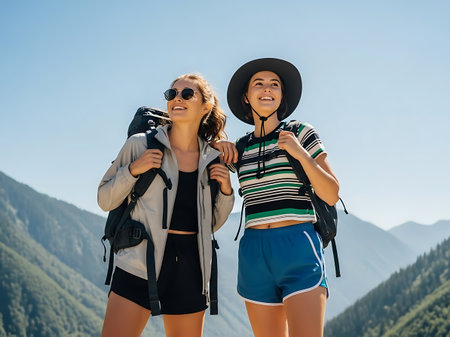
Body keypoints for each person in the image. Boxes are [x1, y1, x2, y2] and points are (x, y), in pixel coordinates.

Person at [97, 73, 234, 337]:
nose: (176, 99)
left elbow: (212, 224)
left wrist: (227, 191)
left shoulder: (212, 159)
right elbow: (105, 199)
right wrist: (134, 169)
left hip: (191, 270)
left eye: (186, 94)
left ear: (205, 107)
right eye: (171, 94)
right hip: (138, 263)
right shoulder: (140, 144)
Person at [213, 58, 340, 337]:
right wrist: (216, 143)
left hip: (299, 245)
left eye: (275, 84)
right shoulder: (241, 148)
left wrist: (300, 153)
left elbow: (331, 192)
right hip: (254, 252)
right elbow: (197, 154)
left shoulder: (300, 132)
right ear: (246, 97)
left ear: (281, 95)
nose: (267, 88)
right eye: (258, 83)